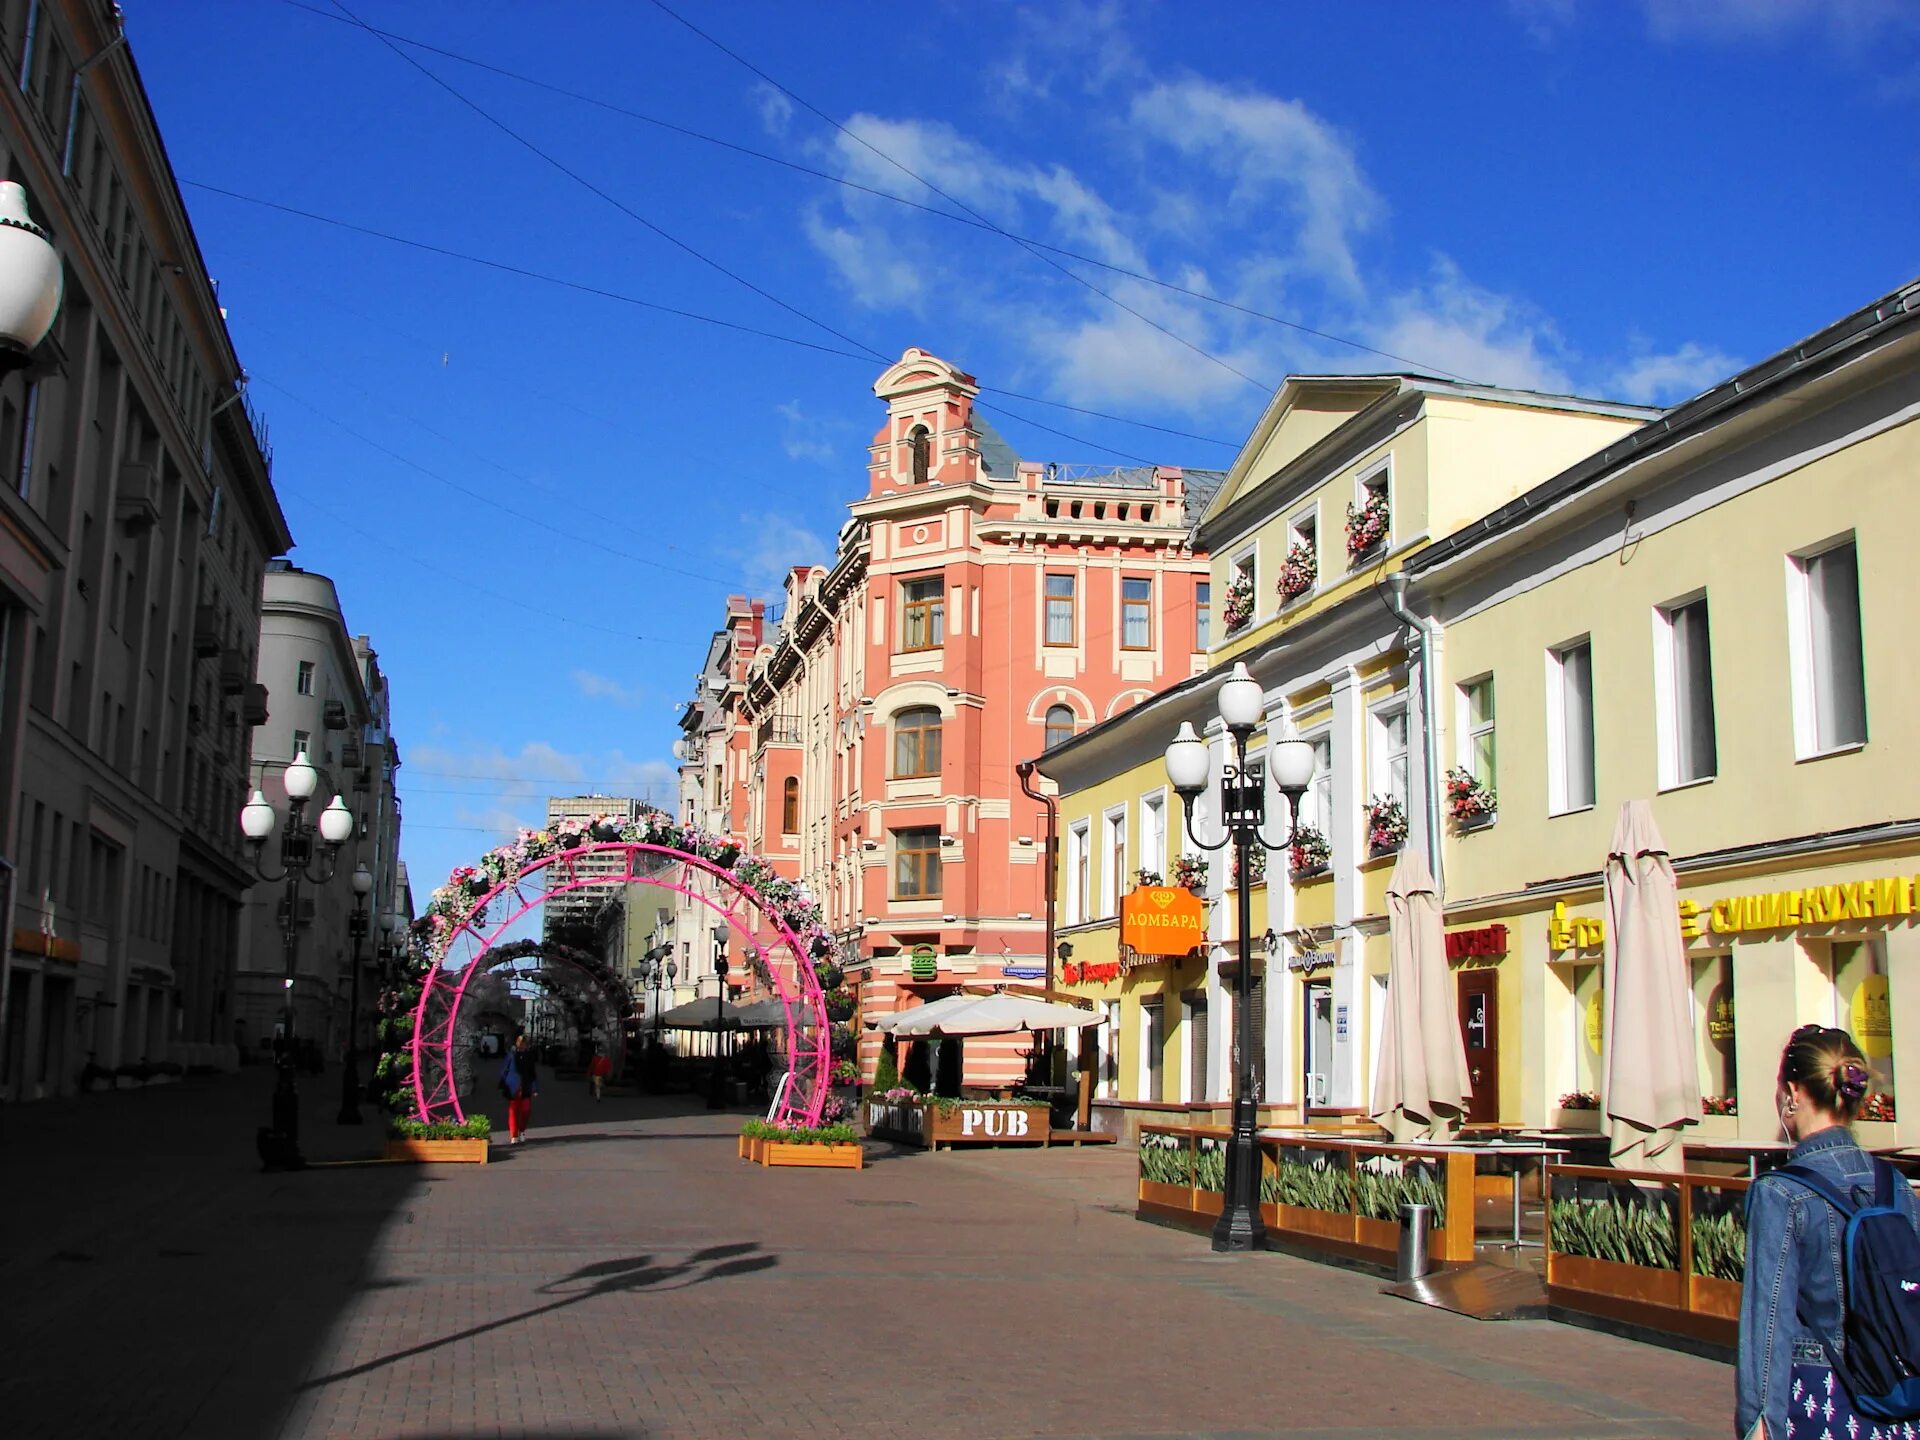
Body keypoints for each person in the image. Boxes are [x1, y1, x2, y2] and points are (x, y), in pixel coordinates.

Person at [1737, 1023, 1920, 1439]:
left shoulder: (1779, 1192)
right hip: (1901, 1401)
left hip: (1820, 1401)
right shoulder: (1895, 1185)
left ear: (1794, 1092)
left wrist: (1759, 1422)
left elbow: (1768, 1325)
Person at [499, 1033, 540, 1144]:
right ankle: (513, 1135)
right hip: (513, 1086)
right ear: (517, 1044)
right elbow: (504, 1070)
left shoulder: (529, 1056)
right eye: (520, 1043)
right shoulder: (511, 1055)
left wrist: (535, 1088)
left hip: (525, 1086)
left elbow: (532, 1073)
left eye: (524, 1044)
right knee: (513, 1111)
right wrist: (503, 1084)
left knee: (526, 1110)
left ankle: (521, 1130)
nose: (521, 1046)